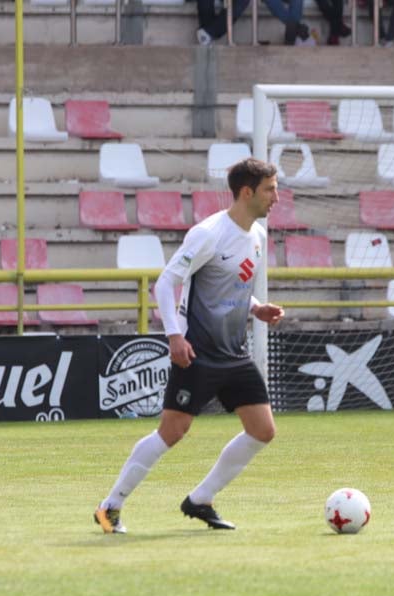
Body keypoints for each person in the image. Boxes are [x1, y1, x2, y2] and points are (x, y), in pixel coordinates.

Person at [94, 158, 285, 534]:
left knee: (263, 430)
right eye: (270, 189)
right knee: (172, 432)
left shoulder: (257, 236)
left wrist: (257, 307)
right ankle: (110, 506)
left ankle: (200, 499)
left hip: (234, 352)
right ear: (247, 192)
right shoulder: (208, 233)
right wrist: (175, 335)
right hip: (198, 351)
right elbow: (165, 284)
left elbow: (228, 287)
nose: (276, 197)